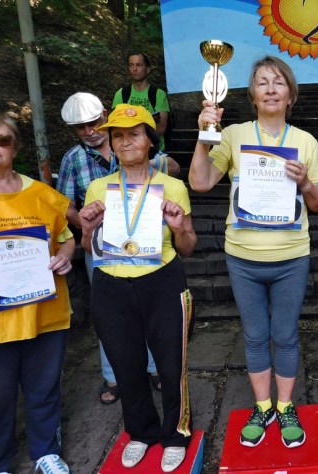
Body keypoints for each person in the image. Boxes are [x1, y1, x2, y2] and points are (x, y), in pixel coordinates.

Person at [188, 56, 318, 449]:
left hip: (291, 257)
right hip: (243, 257)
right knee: (254, 335)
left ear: (290, 95)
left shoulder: (305, 142)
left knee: (285, 335)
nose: (270, 89)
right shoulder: (233, 134)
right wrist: (204, 135)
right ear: (252, 94)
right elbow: (200, 182)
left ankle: (285, 406)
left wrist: (305, 183)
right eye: (262, 82)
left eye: (278, 82)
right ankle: (263, 406)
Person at [79, 104, 196, 472]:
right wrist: (86, 229)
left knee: (171, 365)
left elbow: (188, 246)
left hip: (162, 282)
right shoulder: (99, 188)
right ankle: (141, 431)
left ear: (150, 141)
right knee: (125, 365)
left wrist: (178, 227)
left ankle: (176, 434)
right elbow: (90, 248)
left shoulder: (172, 187)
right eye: (117, 136)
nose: (125, 141)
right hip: (111, 285)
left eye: (134, 134)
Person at [58, 92, 179, 405]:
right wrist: (88, 223)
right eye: (80, 127)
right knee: (110, 316)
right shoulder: (73, 158)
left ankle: (153, 369)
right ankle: (114, 375)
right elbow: (65, 204)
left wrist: (154, 161)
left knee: (150, 311)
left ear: (105, 115)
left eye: (93, 123)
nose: (89, 131)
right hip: (102, 245)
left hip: (148, 242)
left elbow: (175, 168)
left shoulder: (133, 144)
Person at [0, 111, 74, 474]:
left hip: (44, 314)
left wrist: (65, 256)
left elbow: (66, 237)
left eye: (2, 139)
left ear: (14, 148)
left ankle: (46, 452)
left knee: (44, 389)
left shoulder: (42, 193)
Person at [112, 52, 170, 150]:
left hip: (154, 151)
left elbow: (161, 127)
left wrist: (135, 138)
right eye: (131, 65)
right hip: (128, 150)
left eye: (138, 65)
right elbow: (114, 124)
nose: (134, 69)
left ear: (147, 69)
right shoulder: (121, 94)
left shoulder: (158, 94)